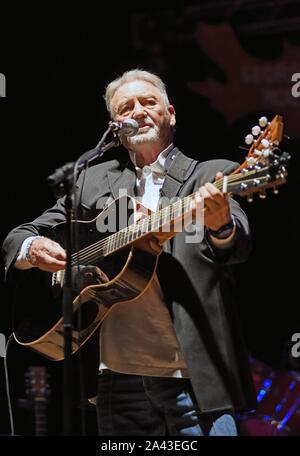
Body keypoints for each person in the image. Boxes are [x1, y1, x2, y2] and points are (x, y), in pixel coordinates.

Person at [2, 69, 256, 436]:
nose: (137, 111)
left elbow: (237, 245)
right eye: (126, 107)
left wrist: (220, 225)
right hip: (115, 380)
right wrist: (34, 249)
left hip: (192, 379)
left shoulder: (211, 177)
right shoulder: (91, 180)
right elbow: (18, 236)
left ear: (171, 113)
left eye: (148, 102)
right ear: (114, 126)